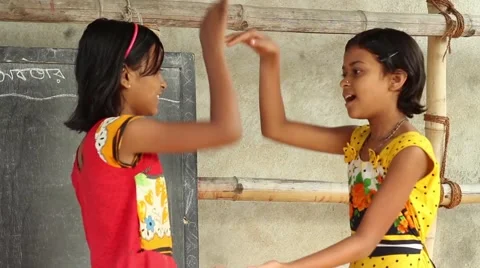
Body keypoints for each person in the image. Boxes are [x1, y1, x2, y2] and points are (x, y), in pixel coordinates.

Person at [226, 28, 440, 268]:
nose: (344, 81)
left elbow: (366, 240)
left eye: (357, 71)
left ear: (396, 80)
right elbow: (276, 128)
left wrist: (288, 267)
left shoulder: (411, 151)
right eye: (344, 72)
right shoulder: (358, 139)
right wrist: (270, 61)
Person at [64, 0, 240, 267]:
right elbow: (226, 129)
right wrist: (212, 48)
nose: (163, 82)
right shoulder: (126, 132)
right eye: (155, 70)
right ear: (125, 76)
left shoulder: (89, 147)